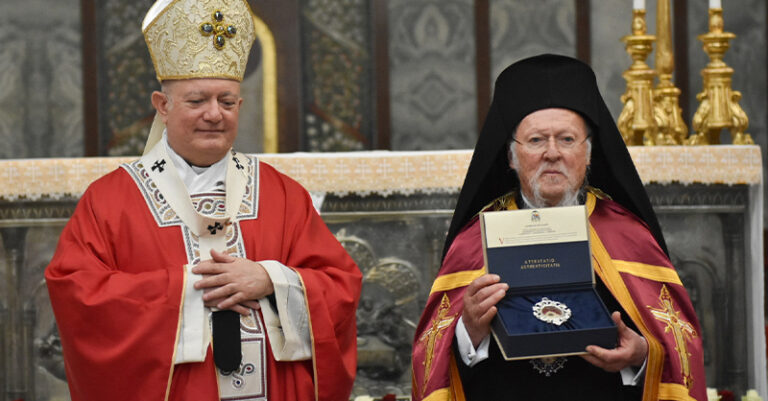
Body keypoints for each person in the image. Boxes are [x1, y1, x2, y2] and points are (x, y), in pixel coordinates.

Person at [45, 1, 361, 400]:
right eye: (197, 101)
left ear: (240, 106)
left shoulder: (282, 194)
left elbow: (341, 286)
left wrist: (270, 279)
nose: (215, 114)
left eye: (227, 102)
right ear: (163, 105)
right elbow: (78, 295)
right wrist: (186, 288)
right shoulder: (110, 201)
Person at [411, 54, 706, 401]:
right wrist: (469, 331)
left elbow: (679, 345)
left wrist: (642, 356)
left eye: (567, 139)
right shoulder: (476, 238)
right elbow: (431, 354)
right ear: (511, 155)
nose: (552, 153)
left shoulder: (628, 234)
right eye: (536, 140)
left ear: (589, 152)